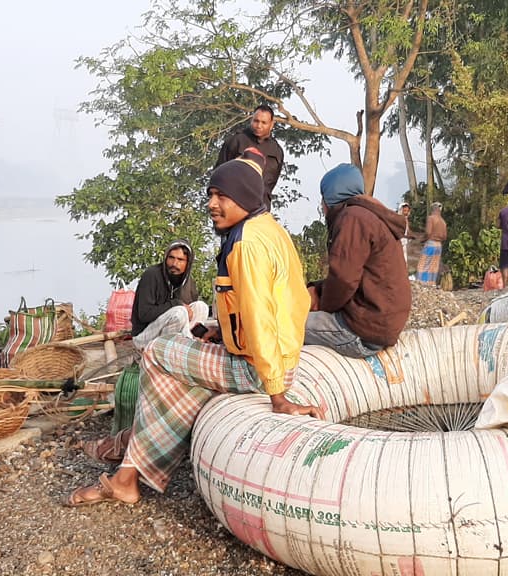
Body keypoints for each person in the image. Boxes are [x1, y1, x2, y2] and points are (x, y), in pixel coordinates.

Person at [64, 151, 320, 506]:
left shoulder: (246, 246)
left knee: (157, 351)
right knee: (174, 380)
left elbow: (261, 318)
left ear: (245, 196)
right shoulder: (269, 229)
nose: (212, 204)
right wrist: (222, 333)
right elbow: (277, 305)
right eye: (210, 195)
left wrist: (278, 396)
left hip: (258, 370)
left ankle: (126, 460)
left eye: (221, 196)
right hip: (275, 357)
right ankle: (126, 475)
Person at [304, 164, 411, 357]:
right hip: (384, 324)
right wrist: (318, 289)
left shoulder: (352, 219)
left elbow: (343, 280)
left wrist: (321, 305)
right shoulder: (370, 217)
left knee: (285, 325)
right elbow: (353, 274)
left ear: (330, 198)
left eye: (323, 199)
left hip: (364, 330)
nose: (322, 206)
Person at [130, 239, 209, 350]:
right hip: (144, 336)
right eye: (171, 258)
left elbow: (189, 317)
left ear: (188, 263)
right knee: (179, 312)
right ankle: (171, 351)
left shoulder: (188, 282)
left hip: (173, 332)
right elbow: (144, 315)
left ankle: (190, 342)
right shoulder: (152, 275)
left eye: (180, 260)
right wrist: (176, 303)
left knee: (201, 307)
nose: (174, 264)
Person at [215, 104, 284, 211]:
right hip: (234, 206)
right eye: (256, 121)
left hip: (261, 208)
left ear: (271, 124)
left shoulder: (276, 151)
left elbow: (272, 183)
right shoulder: (236, 141)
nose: (259, 126)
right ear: (251, 120)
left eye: (264, 122)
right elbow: (218, 174)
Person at [417, 202, 447, 285]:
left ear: (433, 209)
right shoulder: (443, 222)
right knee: (434, 265)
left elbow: (428, 232)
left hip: (431, 243)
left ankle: (422, 283)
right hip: (439, 245)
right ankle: (431, 283)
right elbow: (444, 237)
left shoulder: (431, 218)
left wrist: (422, 240)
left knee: (424, 264)